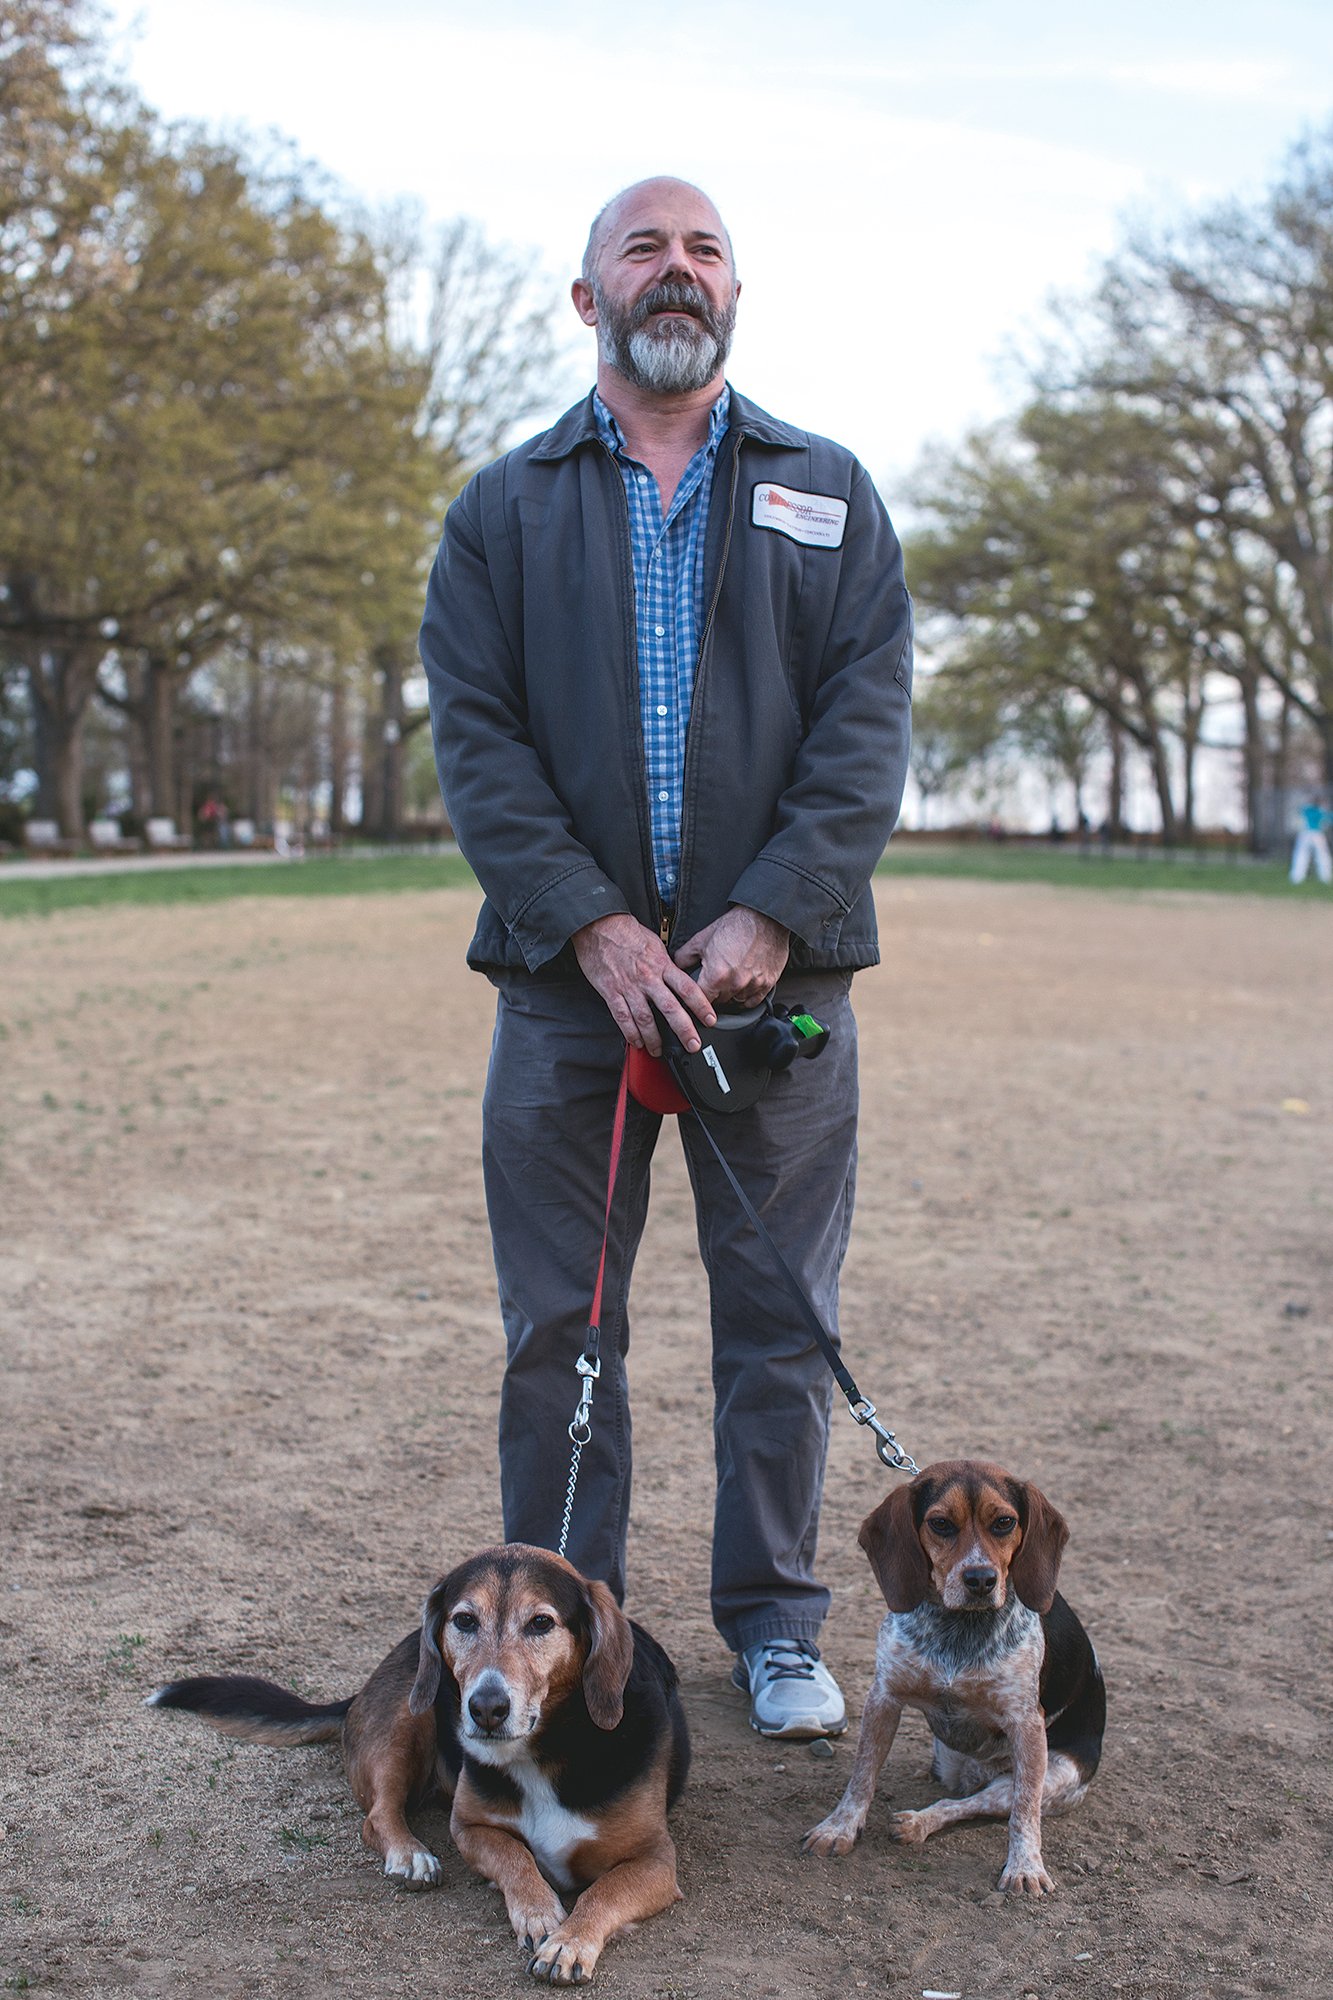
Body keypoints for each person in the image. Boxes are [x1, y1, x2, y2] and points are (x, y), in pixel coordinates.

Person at [419, 178, 913, 1739]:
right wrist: (597, 925)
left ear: (734, 295)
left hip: (781, 1000)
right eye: (643, 247)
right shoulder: (500, 509)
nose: (676, 269)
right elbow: (480, 746)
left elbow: (866, 726)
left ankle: (773, 1627)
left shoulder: (827, 491)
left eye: (704, 249)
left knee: (781, 1323)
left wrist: (774, 909)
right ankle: (557, 1631)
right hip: (571, 1002)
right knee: (559, 1332)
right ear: (588, 300)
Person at [1289, 798, 1332, 885]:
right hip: (1317, 834)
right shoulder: (1321, 811)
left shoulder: (1306, 809)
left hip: (1305, 834)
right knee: (1322, 856)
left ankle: (1296, 877)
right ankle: (1325, 877)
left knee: (1300, 856)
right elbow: (1329, 819)